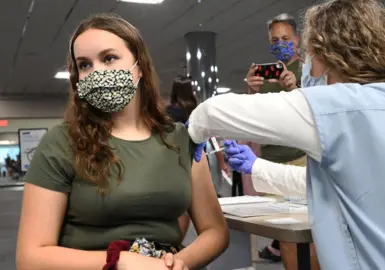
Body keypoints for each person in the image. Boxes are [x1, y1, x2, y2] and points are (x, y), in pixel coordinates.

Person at [186, 0, 385, 269]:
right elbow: (340, 183)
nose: (307, 65)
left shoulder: (340, 105)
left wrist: (194, 133)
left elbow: (211, 113)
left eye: (308, 54)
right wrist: (257, 167)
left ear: (327, 55)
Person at [16, 13, 228, 270]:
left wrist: (177, 264)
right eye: (84, 65)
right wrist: (120, 261)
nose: (97, 72)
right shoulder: (61, 143)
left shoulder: (181, 139)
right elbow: (30, 257)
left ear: (139, 66)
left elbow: (215, 231)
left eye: (108, 58)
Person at [246, 13, 317, 268]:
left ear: (297, 40)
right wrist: (251, 92)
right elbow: (253, 123)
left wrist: (295, 88)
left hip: (301, 159)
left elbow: (316, 114)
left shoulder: (310, 70)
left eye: (286, 38)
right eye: (275, 39)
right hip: (270, 164)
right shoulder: (264, 78)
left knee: (310, 234)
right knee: (285, 236)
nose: (280, 43)